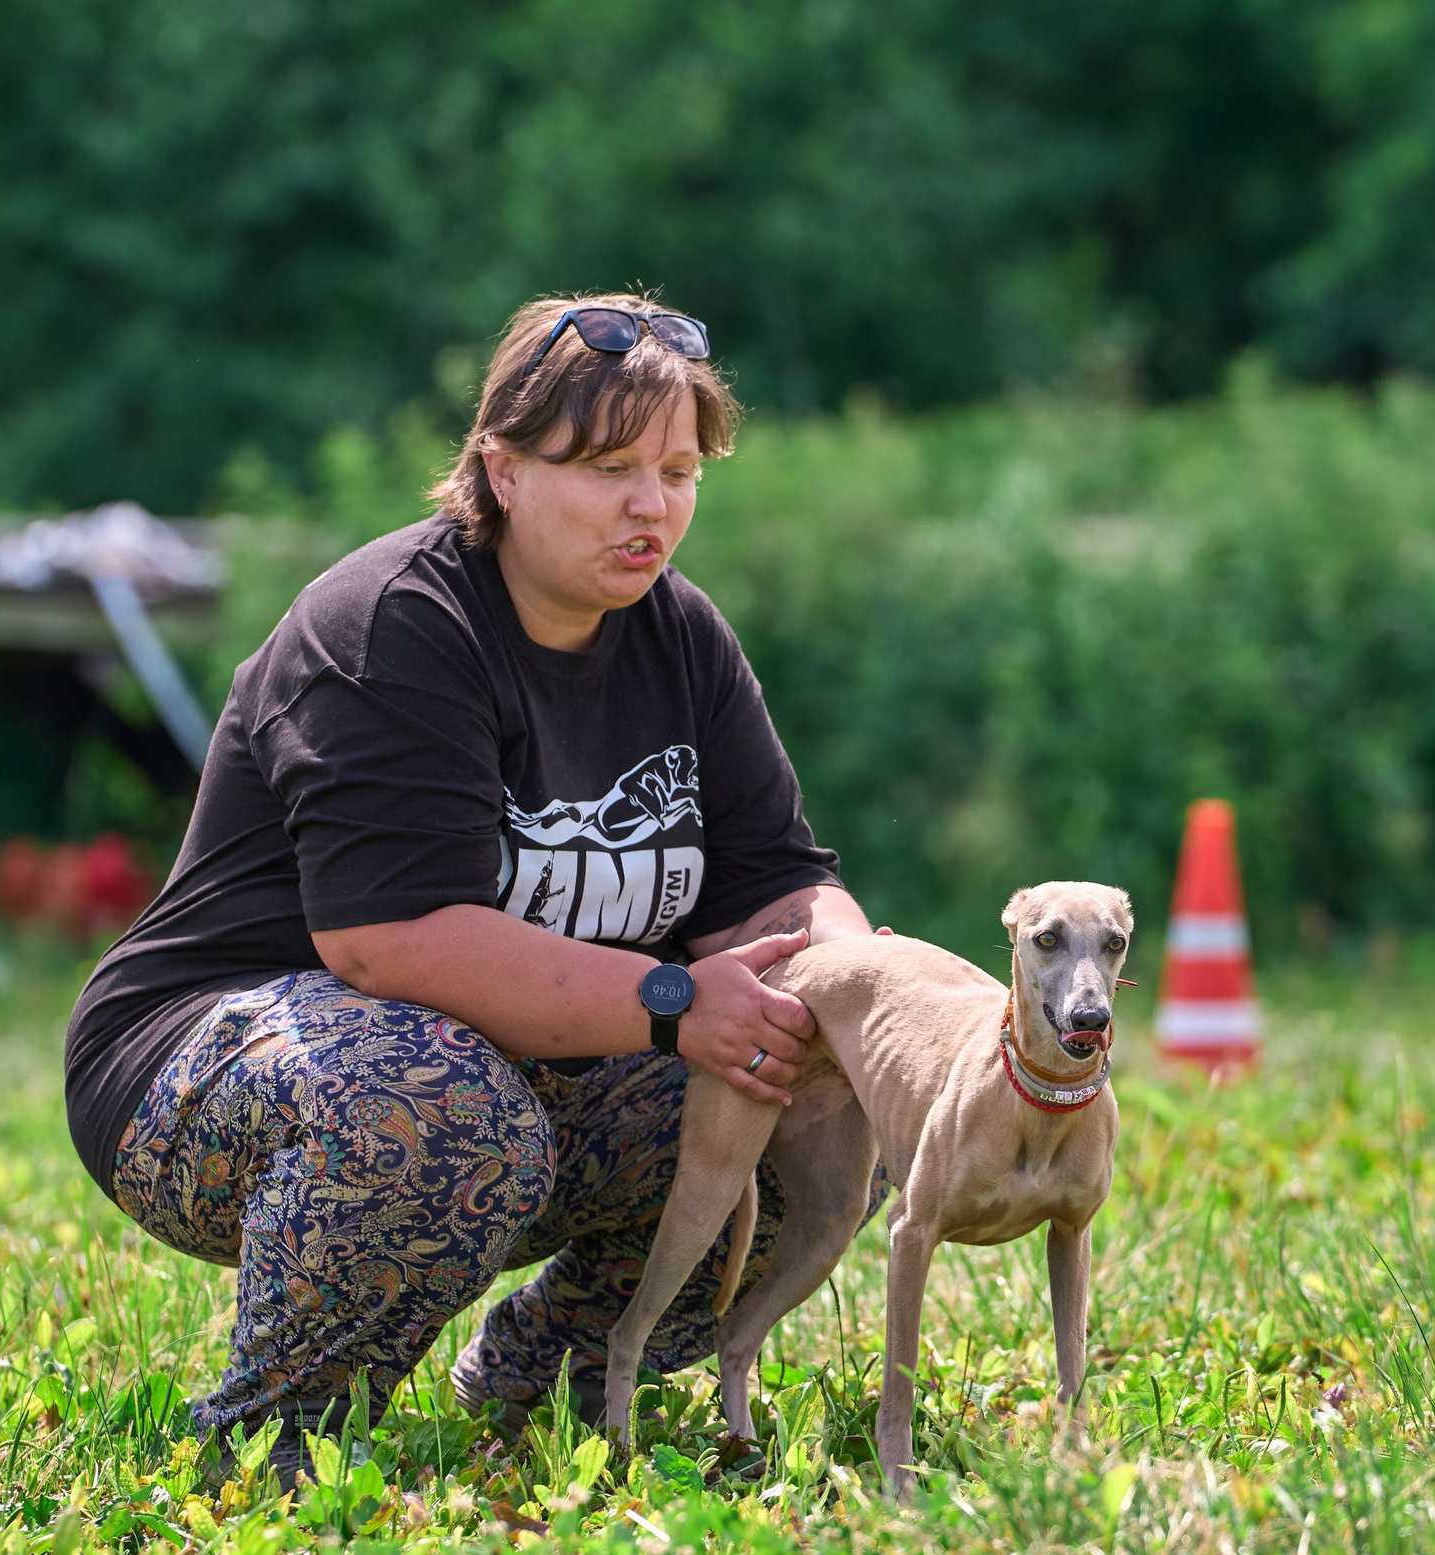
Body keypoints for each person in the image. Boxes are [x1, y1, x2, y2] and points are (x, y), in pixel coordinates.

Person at [62, 291, 882, 1475]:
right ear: (501, 469)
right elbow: (387, 944)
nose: (651, 505)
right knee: (441, 1107)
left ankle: (540, 1392)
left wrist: (863, 992)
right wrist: (673, 1003)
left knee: (823, 1093)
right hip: (205, 1065)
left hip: (514, 1072)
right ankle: (271, 1444)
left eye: (679, 469)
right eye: (606, 467)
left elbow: (779, 882)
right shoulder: (392, 624)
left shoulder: (680, 636)